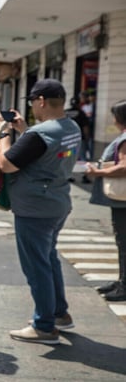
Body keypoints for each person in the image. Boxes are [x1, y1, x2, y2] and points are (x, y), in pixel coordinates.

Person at [0, 78, 81, 344]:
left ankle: (44, 326)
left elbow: (7, 164)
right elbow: (45, 149)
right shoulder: (71, 126)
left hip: (36, 207)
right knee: (49, 259)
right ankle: (59, 314)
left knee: (37, 267)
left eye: (34, 102)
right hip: (57, 202)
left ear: (41, 101)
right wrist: (26, 131)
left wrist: (3, 137)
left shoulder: (40, 134)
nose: (33, 107)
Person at [84, 100, 126, 302]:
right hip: (121, 200)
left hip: (123, 200)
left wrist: (98, 172)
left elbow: (124, 167)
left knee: (123, 241)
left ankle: (124, 285)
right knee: (121, 241)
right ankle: (121, 281)